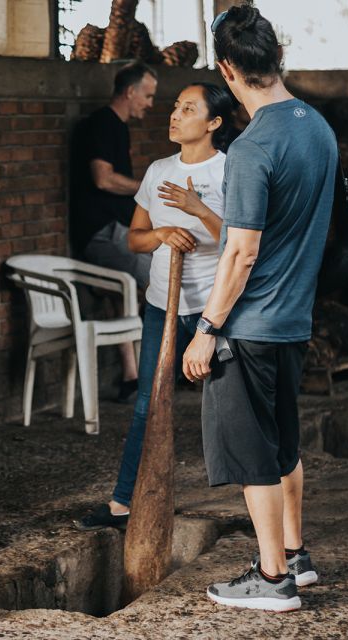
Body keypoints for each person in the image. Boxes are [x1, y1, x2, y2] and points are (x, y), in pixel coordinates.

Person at [183, 6, 337, 612]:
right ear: (278, 57)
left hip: (249, 326)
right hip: (295, 319)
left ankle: (273, 579)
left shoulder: (253, 146)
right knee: (282, 446)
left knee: (253, 457)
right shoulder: (317, 127)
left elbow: (241, 253)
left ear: (227, 68)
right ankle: (295, 556)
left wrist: (206, 329)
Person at [74, 83, 237, 531]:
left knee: (231, 405)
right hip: (161, 305)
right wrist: (163, 235)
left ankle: (259, 503)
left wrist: (196, 208)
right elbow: (134, 238)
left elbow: (239, 241)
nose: (175, 114)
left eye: (188, 109)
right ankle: (123, 504)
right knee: (147, 403)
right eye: (175, 107)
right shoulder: (158, 170)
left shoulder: (230, 171)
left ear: (213, 123)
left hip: (215, 311)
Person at [69, 61, 158, 402]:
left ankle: (131, 377)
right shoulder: (102, 124)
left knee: (123, 294)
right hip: (100, 233)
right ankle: (171, 368)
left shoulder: (118, 127)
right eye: (147, 96)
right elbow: (102, 178)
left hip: (114, 229)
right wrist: (146, 187)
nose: (149, 104)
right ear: (129, 91)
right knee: (161, 278)